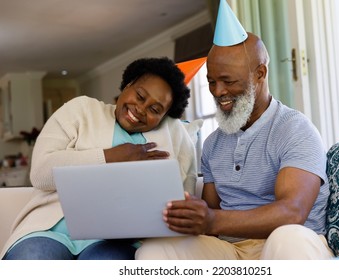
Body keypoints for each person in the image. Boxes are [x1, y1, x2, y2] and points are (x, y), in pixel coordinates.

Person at [135, 32, 335, 260]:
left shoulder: (295, 129)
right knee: (155, 250)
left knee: (286, 238)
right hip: (233, 250)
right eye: (211, 82)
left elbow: (293, 212)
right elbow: (211, 211)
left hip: (291, 245)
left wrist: (212, 219)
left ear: (260, 73)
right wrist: (183, 215)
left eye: (228, 81)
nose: (218, 92)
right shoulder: (213, 144)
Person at [1, 57, 197, 260]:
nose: (140, 109)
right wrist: (110, 156)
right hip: (50, 231)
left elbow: (183, 205)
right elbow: (40, 173)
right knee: (32, 258)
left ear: (165, 116)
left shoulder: (174, 134)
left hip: (116, 242)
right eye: (140, 96)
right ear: (128, 84)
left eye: (155, 109)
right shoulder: (81, 110)